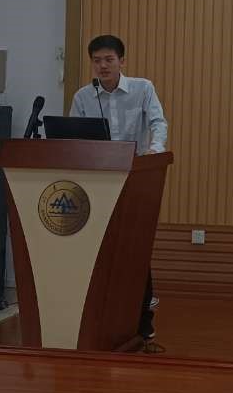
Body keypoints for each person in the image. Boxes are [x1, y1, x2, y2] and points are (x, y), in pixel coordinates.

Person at [71, 34, 167, 340]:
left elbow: (158, 123)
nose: (103, 66)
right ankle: (101, 317)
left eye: (109, 60)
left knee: (134, 248)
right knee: (100, 250)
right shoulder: (83, 96)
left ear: (121, 61)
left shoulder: (142, 88)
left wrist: (155, 150)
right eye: (97, 61)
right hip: (95, 184)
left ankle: (143, 319)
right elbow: (71, 137)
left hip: (134, 179)